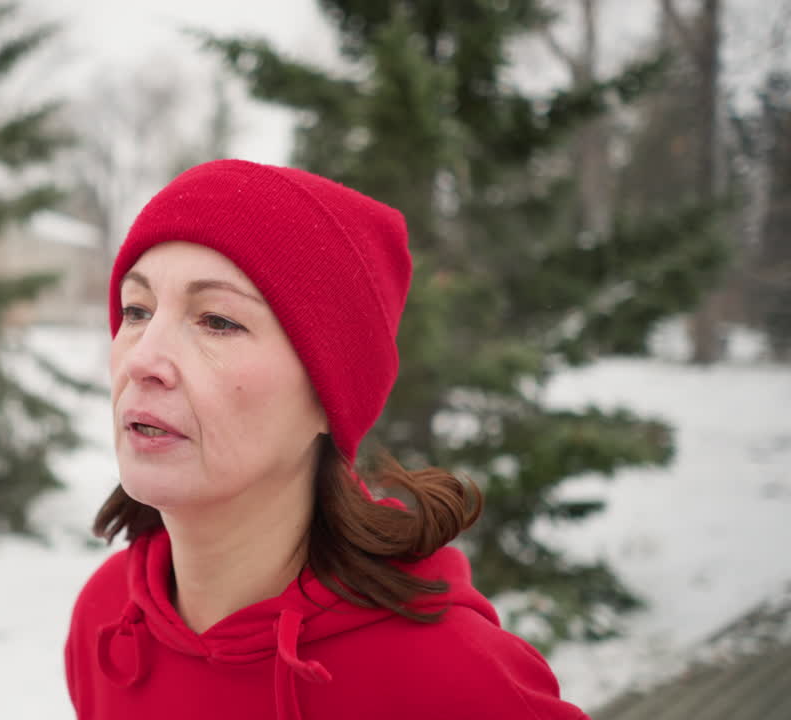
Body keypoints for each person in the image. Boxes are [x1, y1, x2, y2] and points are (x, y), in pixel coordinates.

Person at [64, 159, 588, 720]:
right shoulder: (107, 622)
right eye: (136, 310)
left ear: (328, 392)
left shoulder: (452, 681)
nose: (142, 357)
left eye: (216, 320)